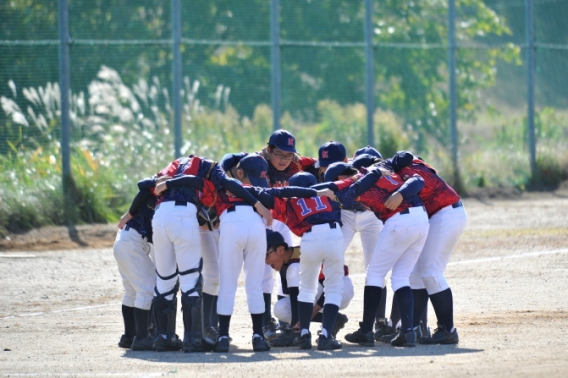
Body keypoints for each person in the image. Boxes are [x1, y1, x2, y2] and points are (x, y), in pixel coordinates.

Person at [142, 154, 273, 353]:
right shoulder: (209, 166)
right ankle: (193, 339)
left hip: (160, 216)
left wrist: (162, 185)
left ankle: (164, 337)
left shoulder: (175, 165)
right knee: (190, 280)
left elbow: (143, 185)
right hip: (183, 215)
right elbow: (221, 183)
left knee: (164, 279)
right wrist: (257, 204)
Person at [210, 154, 333, 353]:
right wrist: (315, 192)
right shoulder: (260, 189)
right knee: (255, 284)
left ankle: (223, 336)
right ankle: (258, 336)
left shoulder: (225, 186)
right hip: (256, 227)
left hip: (231, 223)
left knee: (228, 283)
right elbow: (287, 191)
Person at [326, 161, 429, 347]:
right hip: (421, 218)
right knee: (401, 277)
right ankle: (408, 332)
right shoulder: (388, 174)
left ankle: (366, 331)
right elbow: (418, 180)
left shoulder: (364, 180)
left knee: (374, 274)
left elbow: (347, 193)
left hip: (399, 221)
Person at [388, 151, 467, 344]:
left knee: (431, 273)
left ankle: (448, 330)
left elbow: (416, 183)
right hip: (440, 215)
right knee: (414, 274)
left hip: (445, 214)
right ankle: (412, 329)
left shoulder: (406, 172)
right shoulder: (409, 166)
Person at [264, 230, 353, 347]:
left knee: (294, 269)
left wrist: (309, 315)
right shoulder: (285, 261)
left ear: (280, 250)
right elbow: (295, 301)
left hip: (341, 287)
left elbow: (330, 285)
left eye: (266, 255)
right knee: (280, 309)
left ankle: (298, 333)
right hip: (319, 290)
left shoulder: (300, 257)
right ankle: (334, 319)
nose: (265, 261)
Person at [114, 178, 165, 351]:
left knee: (132, 290)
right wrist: (129, 214)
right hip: (131, 242)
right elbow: (143, 189)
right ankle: (142, 337)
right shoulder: (156, 193)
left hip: (124, 240)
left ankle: (129, 336)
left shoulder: (157, 193)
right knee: (147, 288)